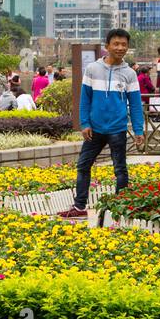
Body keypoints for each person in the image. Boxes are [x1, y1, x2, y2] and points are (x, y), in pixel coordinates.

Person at [57, 28, 145, 221]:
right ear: (107, 46)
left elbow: (136, 104)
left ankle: (120, 206)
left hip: (118, 129)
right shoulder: (92, 69)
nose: (120, 47)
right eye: (116, 44)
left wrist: (139, 130)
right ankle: (79, 205)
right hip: (94, 129)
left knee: (120, 169)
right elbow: (85, 99)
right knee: (83, 165)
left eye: (124, 44)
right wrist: (84, 123)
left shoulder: (130, 74)